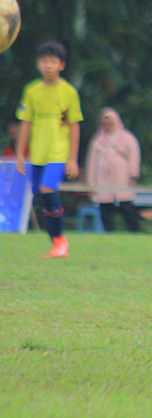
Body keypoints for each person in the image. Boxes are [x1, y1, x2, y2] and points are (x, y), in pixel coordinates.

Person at [15, 41, 82, 258]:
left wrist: (72, 159)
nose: (48, 65)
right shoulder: (31, 91)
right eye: (44, 61)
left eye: (53, 61)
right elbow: (25, 123)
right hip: (38, 153)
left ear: (61, 65)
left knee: (47, 189)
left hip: (58, 152)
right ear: (38, 64)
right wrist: (19, 154)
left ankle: (61, 241)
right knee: (42, 198)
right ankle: (57, 243)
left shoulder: (69, 92)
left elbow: (74, 125)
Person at [84, 107, 142, 232]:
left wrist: (133, 175)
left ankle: (135, 233)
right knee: (105, 210)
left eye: (109, 123)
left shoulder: (127, 138)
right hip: (104, 180)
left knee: (127, 209)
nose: (107, 126)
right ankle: (109, 233)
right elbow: (91, 162)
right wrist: (91, 183)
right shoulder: (97, 141)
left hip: (123, 179)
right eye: (105, 124)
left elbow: (134, 156)